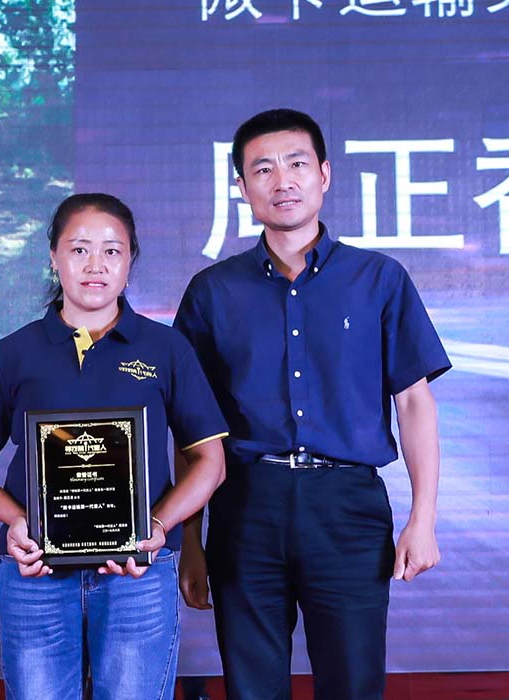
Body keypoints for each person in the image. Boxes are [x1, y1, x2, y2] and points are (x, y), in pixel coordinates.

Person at [173, 108, 452, 700]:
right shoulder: (213, 292)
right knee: (252, 688)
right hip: (246, 506)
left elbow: (414, 403)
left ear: (324, 174)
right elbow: (192, 430)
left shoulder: (379, 279)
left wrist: (423, 519)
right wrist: (190, 541)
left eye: (297, 164)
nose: (283, 181)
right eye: (263, 169)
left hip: (347, 507)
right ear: (242, 186)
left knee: (353, 684)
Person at [0, 193, 228, 700]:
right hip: (35, 574)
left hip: (138, 575)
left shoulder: (167, 349)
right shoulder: (11, 354)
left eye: (112, 251)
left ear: (130, 260)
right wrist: (16, 520)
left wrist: (158, 526)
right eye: (79, 249)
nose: (95, 265)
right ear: (53, 257)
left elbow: (210, 461)